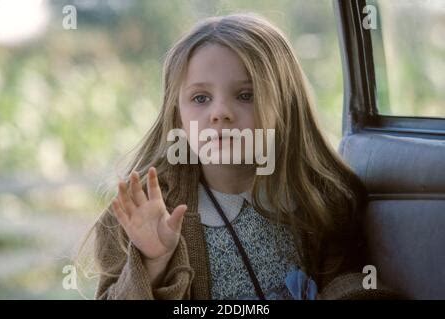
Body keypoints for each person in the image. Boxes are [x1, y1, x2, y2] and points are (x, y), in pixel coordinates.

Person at [92, 13, 398, 300]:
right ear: (177, 115)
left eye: (245, 95)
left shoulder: (321, 198)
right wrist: (152, 262)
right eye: (200, 98)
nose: (220, 113)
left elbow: (349, 278)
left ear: (286, 105)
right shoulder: (143, 210)